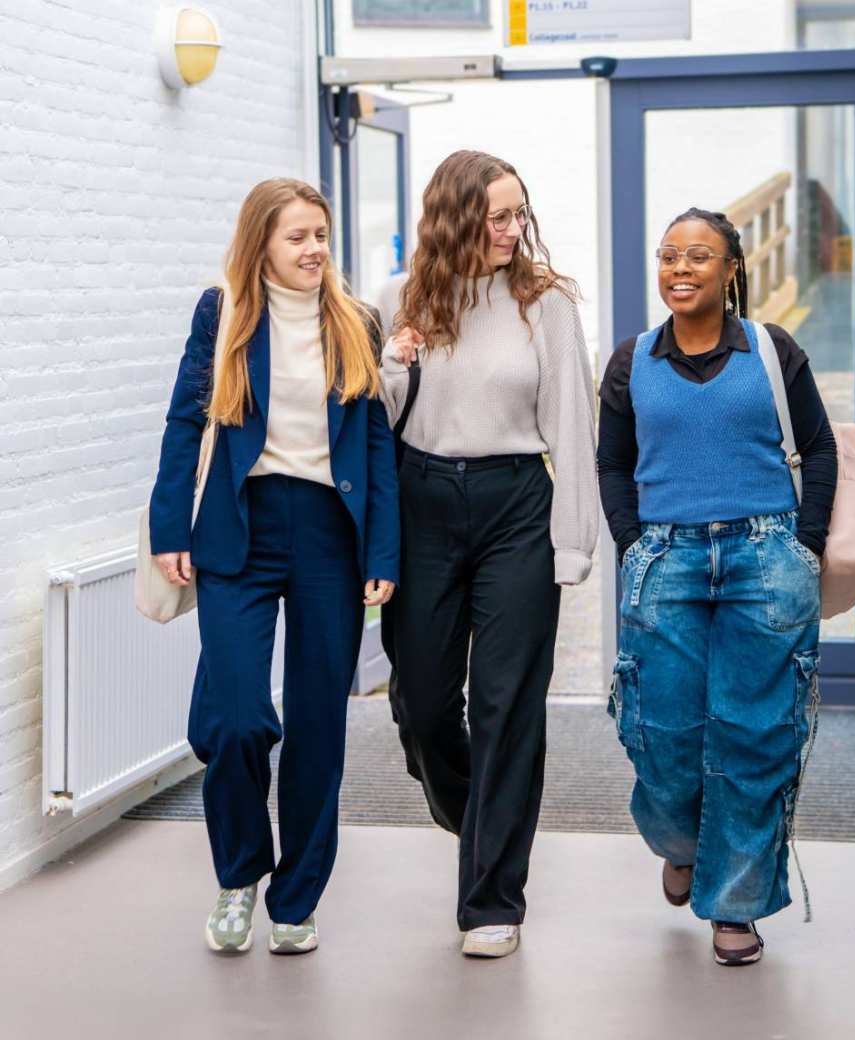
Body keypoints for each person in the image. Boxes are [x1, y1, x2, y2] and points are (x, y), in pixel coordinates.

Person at [148, 178, 399, 955]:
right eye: (297, 236)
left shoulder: (355, 319)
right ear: (260, 243)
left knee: (320, 725)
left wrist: (382, 547)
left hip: (329, 532)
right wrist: (168, 526)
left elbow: (377, 442)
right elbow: (187, 420)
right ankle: (239, 875)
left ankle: (296, 900)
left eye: (321, 233)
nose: (314, 249)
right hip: (238, 526)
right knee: (237, 722)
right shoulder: (222, 312)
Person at [596, 206, 837, 966]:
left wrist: (804, 547)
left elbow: (821, 447)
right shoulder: (631, 361)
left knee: (755, 734)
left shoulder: (771, 351)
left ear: (731, 268)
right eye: (668, 255)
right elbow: (612, 464)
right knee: (661, 735)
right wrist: (633, 544)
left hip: (763, 557)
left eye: (698, 256)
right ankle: (679, 841)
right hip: (664, 559)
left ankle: (735, 905)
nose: (680, 269)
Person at [379, 150, 598, 959]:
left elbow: (573, 426)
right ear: (457, 217)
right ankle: (475, 815)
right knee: (425, 703)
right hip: (420, 502)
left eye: (518, 214)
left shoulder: (544, 304)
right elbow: (382, 418)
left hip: (515, 504)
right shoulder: (398, 299)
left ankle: (491, 899)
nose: (512, 230)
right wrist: (392, 361)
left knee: (508, 704)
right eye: (496, 216)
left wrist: (573, 544)